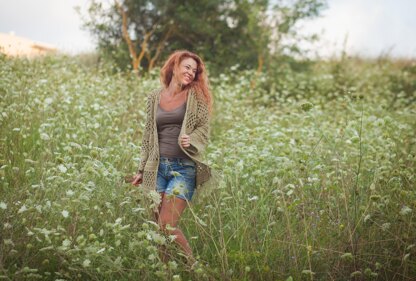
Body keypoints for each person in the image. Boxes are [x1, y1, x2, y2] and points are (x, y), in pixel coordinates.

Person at [131, 50, 213, 266]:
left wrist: (191, 139)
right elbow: (149, 134)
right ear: (174, 66)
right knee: (157, 226)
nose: (190, 73)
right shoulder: (154, 97)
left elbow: (204, 128)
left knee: (167, 224)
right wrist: (141, 170)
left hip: (183, 169)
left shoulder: (196, 97)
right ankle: (165, 272)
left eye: (194, 71)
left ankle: (196, 271)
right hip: (155, 168)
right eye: (187, 67)